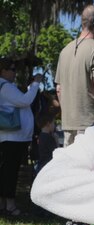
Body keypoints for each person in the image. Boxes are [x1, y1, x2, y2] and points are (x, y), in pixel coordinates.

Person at [55, 5, 94, 148]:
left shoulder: (64, 51)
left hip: (68, 125)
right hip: (90, 126)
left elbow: (59, 89)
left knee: (69, 168)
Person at [0, 57, 42, 216]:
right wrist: (36, 83)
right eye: (12, 69)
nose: (14, 72)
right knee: (10, 171)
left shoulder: (5, 86)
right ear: (3, 71)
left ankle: (4, 203)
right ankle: (10, 205)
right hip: (13, 137)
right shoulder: (5, 86)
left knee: (6, 170)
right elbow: (25, 101)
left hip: (11, 137)